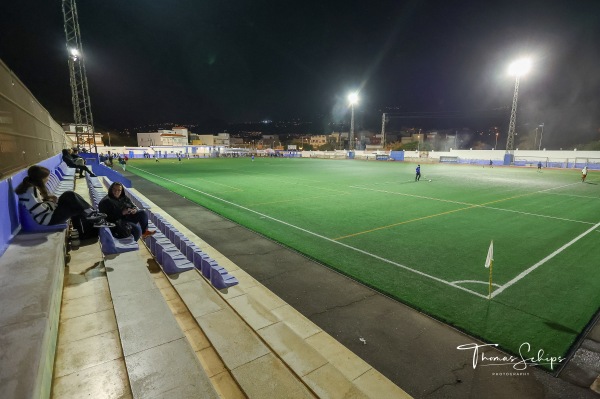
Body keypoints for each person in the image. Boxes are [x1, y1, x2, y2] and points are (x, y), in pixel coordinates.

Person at [15, 165, 111, 227]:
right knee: (71, 199)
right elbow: (37, 209)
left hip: (51, 214)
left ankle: (93, 217)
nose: (48, 179)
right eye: (47, 177)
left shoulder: (31, 187)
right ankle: (93, 215)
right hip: (49, 219)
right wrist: (52, 204)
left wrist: (49, 199)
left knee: (72, 199)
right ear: (40, 178)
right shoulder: (31, 190)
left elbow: (38, 203)